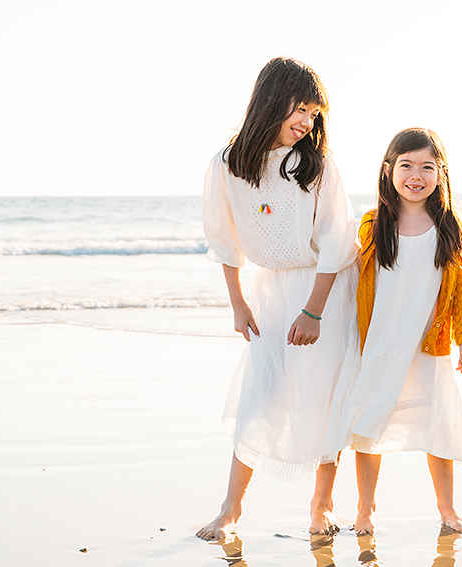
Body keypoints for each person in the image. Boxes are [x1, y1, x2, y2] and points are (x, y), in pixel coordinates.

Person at [197, 57, 359, 540]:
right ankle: (231, 508)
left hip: (324, 289)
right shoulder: (228, 164)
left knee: (325, 394)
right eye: (302, 109)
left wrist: (314, 309)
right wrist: (238, 303)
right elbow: (223, 239)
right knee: (260, 395)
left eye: (314, 114)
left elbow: (337, 241)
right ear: (273, 99)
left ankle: (321, 505)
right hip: (269, 290)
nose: (308, 123)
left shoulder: (316, 164)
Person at [335, 127, 462, 535]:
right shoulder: (372, 224)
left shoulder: (449, 226)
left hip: (426, 345)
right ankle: (366, 510)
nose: (416, 175)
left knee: (438, 426)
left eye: (427, 167)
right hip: (378, 343)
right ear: (388, 170)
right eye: (406, 165)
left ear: (441, 174)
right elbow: (346, 279)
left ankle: (447, 509)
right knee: (368, 425)